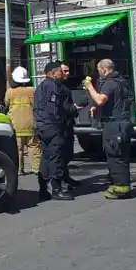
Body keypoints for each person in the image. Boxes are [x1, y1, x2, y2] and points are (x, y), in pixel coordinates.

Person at [83, 59, 133, 199]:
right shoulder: (121, 81)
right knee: (121, 155)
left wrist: (89, 87)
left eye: (99, 71)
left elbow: (100, 100)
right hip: (123, 123)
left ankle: (121, 188)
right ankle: (121, 184)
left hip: (114, 124)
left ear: (104, 70)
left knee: (115, 156)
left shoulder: (110, 83)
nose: (99, 75)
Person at [34, 61, 76, 201]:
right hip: (52, 126)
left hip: (41, 126)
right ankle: (57, 190)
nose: (61, 74)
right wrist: (61, 122)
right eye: (60, 71)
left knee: (45, 157)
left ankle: (43, 189)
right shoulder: (53, 86)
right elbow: (54, 108)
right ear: (53, 72)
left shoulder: (40, 86)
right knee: (56, 157)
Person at [4, 66, 40, 175]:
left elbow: (6, 104)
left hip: (15, 125)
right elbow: (37, 105)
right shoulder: (32, 90)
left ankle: (19, 169)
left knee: (17, 149)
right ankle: (37, 168)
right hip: (31, 124)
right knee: (34, 147)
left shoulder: (10, 91)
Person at [59, 61, 82, 189]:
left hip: (68, 124)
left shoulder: (66, 86)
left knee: (68, 152)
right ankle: (61, 180)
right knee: (61, 155)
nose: (67, 73)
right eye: (64, 71)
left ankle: (66, 177)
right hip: (61, 125)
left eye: (68, 71)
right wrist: (73, 109)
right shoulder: (57, 87)